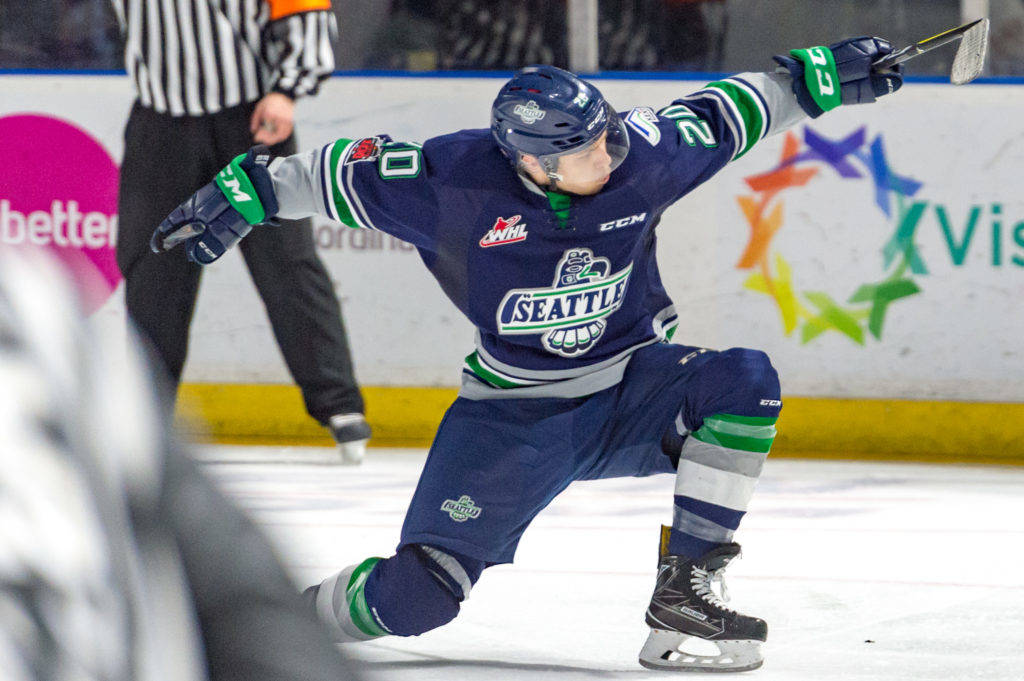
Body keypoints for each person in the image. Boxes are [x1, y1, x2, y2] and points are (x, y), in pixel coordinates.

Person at [149, 38, 904, 671]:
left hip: (632, 389)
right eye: (584, 150)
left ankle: (686, 586)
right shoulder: (450, 184)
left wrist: (821, 77)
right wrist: (244, 193)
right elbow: (328, 174)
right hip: (512, 417)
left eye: (606, 135)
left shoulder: (641, 156)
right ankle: (266, 623)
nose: (608, 153)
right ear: (531, 162)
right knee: (417, 598)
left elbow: (730, 110)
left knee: (744, 382)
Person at [0, 251, 360, 681]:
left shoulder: (47, 315)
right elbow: (246, 604)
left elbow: (241, 603)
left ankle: (338, 404)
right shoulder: (47, 310)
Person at [111, 0, 371, 463]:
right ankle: (145, 414)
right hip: (159, 121)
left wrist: (287, 91)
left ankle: (338, 404)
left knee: (285, 261)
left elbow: (305, 12)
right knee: (152, 269)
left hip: (249, 121)